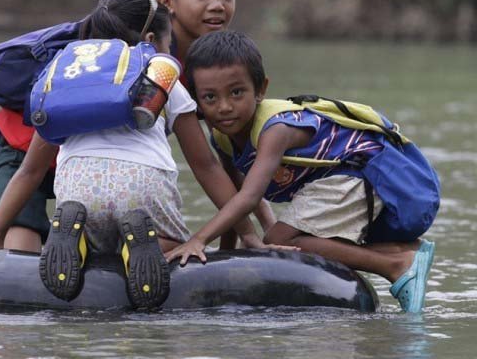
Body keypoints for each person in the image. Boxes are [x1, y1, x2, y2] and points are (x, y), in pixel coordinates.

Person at [0, 0, 295, 309]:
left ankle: (80, 242)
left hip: (79, 193)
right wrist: (249, 233)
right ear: (151, 41)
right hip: (143, 192)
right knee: (169, 243)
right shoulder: (160, 77)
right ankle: (142, 248)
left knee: (88, 227)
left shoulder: (64, 79)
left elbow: (30, 171)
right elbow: (206, 165)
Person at [166, 30, 440, 313]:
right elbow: (236, 195)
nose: (224, 107)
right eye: (210, 97)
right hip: (336, 182)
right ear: (197, 101)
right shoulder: (222, 137)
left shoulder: (276, 129)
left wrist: (198, 240)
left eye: (236, 93)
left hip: (363, 173)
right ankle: (399, 254)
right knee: (278, 238)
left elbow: (248, 196)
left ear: (261, 89)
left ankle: (395, 265)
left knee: (280, 239)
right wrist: (229, 254)